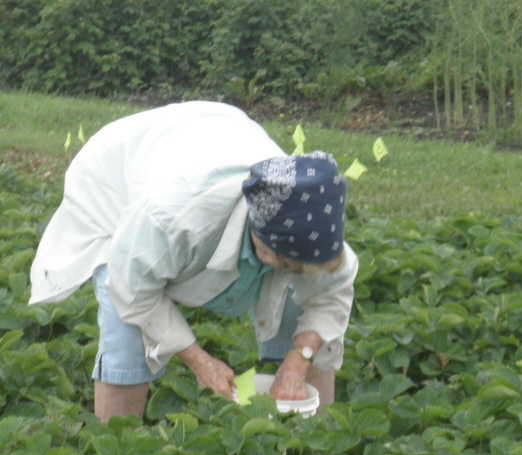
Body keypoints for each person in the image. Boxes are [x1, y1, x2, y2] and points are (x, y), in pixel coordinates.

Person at [29, 101, 358, 422]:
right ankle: (116, 450)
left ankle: (317, 435)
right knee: (127, 327)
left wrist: (300, 360)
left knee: (298, 304)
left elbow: (330, 293)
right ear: (260, 234)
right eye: (286, 261)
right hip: (117, 176)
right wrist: (199, 360)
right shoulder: (171, 219)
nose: (291, 270)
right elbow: (132, 290)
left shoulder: (314, 223)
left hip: (221, 130)